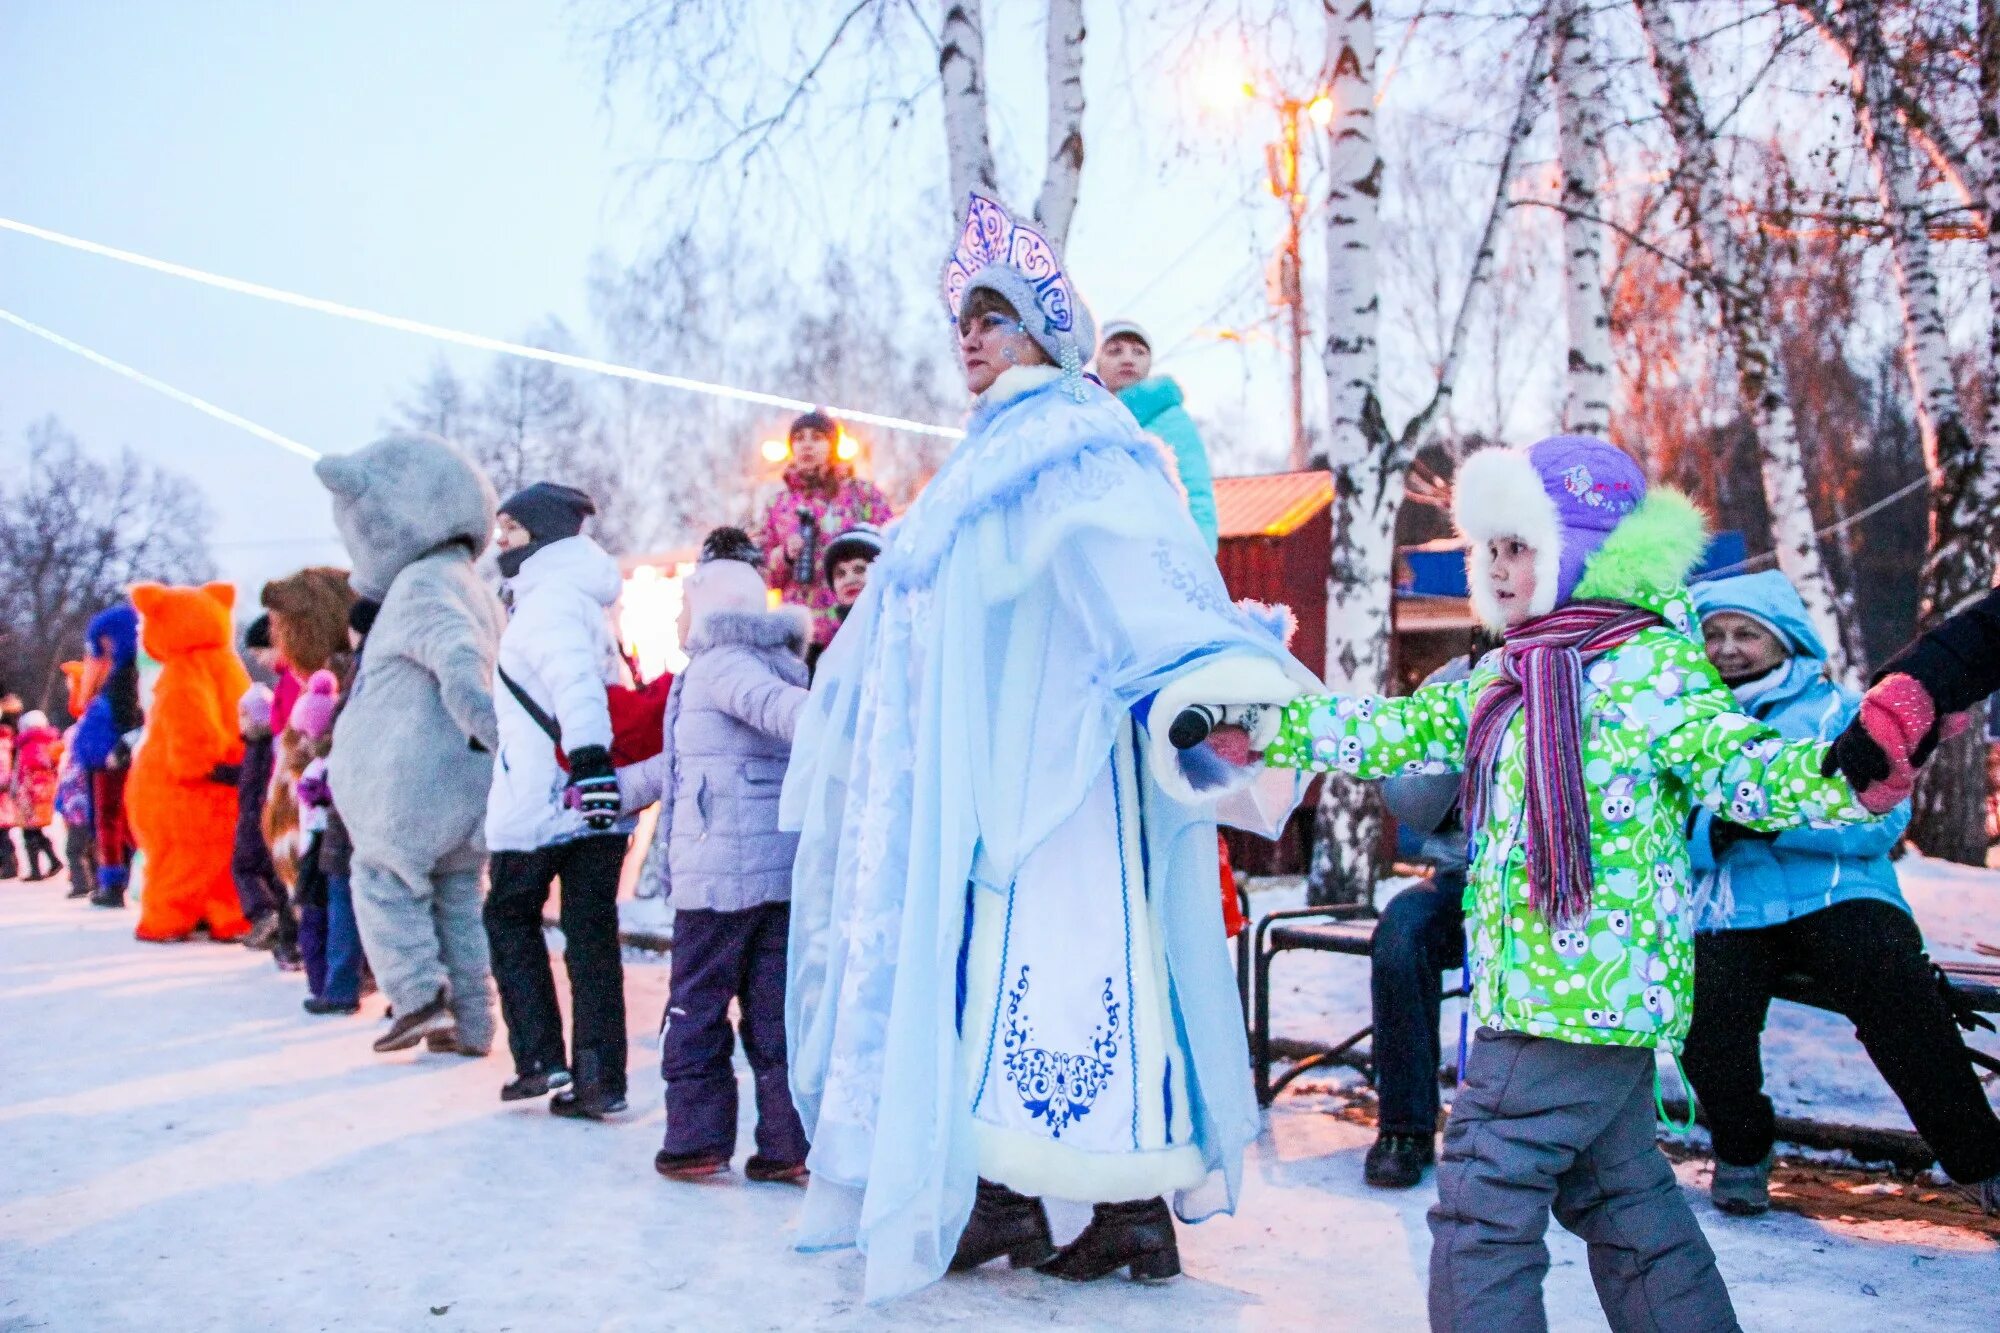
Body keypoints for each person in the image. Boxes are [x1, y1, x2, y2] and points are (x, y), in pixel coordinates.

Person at [782, 193, 1314, 1301]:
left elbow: (1140, 591)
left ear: (1036, 325)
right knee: (987, 971)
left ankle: (1126, 1210)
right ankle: (1003, 1195)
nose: (968, 336)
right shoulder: (992, 450)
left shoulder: (1073, 439)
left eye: (990, 313)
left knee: (1073, 973)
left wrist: (1223, 678)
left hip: (1064, 778)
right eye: (960, 319)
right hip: (996, 781)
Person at [1259, 436, 1883, 1332]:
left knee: (1483, 1201)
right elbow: (1389, 729)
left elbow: (1739, 763)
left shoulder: (1645, 668)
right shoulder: (1508, 670)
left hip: (1569, 997)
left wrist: (1852, 766)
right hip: (1569, 994)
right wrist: (1258, 724)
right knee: (1626, 1207)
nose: (1501, 569)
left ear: (1581, 552)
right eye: (1492, 549)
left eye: (1523, 547)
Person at [1684, 571, 2000, 1216]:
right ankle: (1742, 1150)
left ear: (1787, 640)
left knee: (1897, 993)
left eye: (1747, 633)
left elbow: (1882, 821)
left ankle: (1981, 1161)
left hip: (1840, 896)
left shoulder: (1841, 711)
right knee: (1707, 1017)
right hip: (1730, 903)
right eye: (1714, 634)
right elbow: (1666, 826)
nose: (1728, 648)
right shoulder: (1692, 724)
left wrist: (1765, 817)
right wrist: (1715, 830)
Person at [621, 536, 812, 1182]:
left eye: (685, 600)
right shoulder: (760, 661)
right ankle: (790, 1144)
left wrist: (832, 723)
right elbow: (684, 764)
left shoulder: (723, 664)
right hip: (772, 872)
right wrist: (615, 792)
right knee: (773, 1012)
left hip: (717, 876)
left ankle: (696, 1139)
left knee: (697, 1006)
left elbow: (784, 713)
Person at [317, 435, 505, 1056]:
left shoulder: (422, 583)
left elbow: (458, 657)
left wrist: (484, 721)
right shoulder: (469, 581)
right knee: (457, 896)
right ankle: (473, 1024)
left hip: (413, 784)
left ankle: (419, 994)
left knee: (381, 876)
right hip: (462, 781)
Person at [483, 481, 634, 1113]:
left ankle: (543, 1058)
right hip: (589, 798)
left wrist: (591, 763)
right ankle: (600, 1079)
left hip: (549, 797)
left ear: (542, 534)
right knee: (590, 933)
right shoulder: (579, 596)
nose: (501, 541)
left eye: (511, 530)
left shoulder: (548, 601)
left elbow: (577, 685)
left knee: (508, 916)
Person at [1361, 655, 1474, 1191]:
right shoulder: (1456, 678)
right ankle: (1404, 1127)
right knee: (1402, 934)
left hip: (1552, 885)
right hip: (1461, 877)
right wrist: (1448, 767)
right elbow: (1403, 792)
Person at [759, 410, 892, 657]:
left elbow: (891, 549)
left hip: (856, 624)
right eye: (799, 438)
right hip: (800, 637)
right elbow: (765, 576)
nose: (807, 445)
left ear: (832, 444)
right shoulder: (778, 505)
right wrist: (786, 554)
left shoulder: (861, 495)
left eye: (817, 437)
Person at [1094, 321, 1218, 553]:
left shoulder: (1171, 418)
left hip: (1163, 551)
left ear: (1149, 363)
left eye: (1139, 352)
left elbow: (1196, 492)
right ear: (1096, 362)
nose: (1128, 359)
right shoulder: (1083, 419)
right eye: (1114, 351)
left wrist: (1201, 555)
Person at [290, 671, 365, 1015]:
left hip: (334, 848)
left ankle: (338, 988)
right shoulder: (334, 757)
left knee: (338, 915)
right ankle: (338, 983)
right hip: (339, 844)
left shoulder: (327, 764)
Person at [72, 604, 142, 909]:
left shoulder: (124, 677)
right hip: (118, 754)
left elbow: (129, 718)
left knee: (110, 818)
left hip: (113, 757)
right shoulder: (132, 673)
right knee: (123, 819)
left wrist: (120, 748)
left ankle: (113, 881)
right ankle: (127, 876)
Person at [233, 678, 294, 954]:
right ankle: (280, 925)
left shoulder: (259, 749)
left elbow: (256, 782)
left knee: (243, 867)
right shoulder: (260, 746)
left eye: (244, 716)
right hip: (263, 819)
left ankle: (262, 915)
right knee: (271, 873)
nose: (240, 722)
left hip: (254, 820)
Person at [807, 523, 883, 676]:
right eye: (840, 573)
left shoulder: (893, 631)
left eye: (860, 569)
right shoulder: (831, 650)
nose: (849, 579)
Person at [12, 711, 63, 882]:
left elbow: (27, 768)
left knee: (29, 831)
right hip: (45, 793)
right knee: (35, 830)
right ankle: (53, 860)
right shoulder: (50, 741)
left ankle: (36, 869)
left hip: (31, 794)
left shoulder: (29, 744)